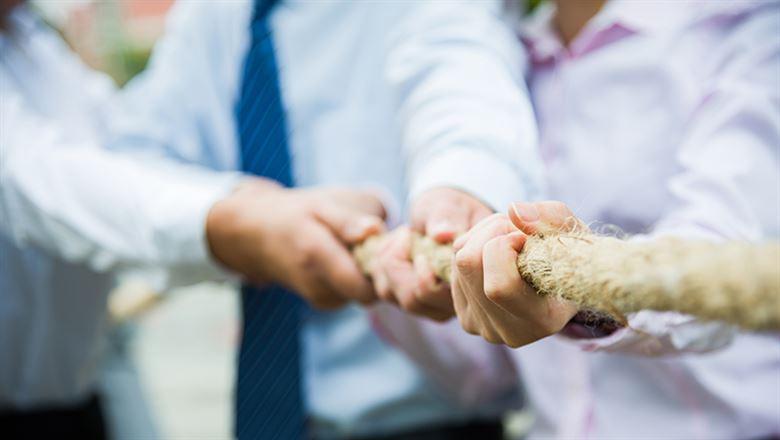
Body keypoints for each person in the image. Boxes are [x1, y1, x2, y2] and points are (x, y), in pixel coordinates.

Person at [108, 0, 542, 438]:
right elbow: (134, 162)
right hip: (265, 416)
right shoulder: (217, 16)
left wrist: (462, 186)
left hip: (431, 418)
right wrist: (233, 220)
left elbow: (461, 77)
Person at [375, 0, 780, 438]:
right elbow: (484, 376)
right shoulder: (498, 67)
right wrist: (393, 269)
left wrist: (589, 298)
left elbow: (720, 253)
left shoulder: (754, 36)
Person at [0, 1, 385, 438]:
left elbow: (126, 151)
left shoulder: (36, 45)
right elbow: (38, 178)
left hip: (79, 406)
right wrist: (235, 222)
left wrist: (249, 213)